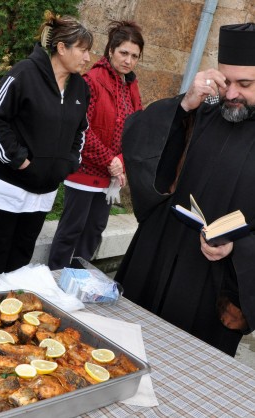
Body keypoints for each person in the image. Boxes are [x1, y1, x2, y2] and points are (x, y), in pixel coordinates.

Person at [115, 23, 255, 357]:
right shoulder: (204, 107)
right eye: (226, 81)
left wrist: (241, 246)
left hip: (216, 283)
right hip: (156, 256)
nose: (231, 93)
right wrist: (183, 105)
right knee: (122, 353)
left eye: (245, 84)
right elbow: (139, 140)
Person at [0, 12, 93, 281]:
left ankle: (12, 309)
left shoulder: (80, 88)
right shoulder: (23, 74)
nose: (88, 58)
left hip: (45, 188)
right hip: (9, 183)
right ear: (62, 48)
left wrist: (69, 162)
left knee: (23, 252)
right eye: (83, 50)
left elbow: (80, 129)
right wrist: (18, 159)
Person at [48, 21, 144, 270]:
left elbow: (137, 129)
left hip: (110, 177)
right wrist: (111, 161)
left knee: (94, 232)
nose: (128, 60)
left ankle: (78, 280)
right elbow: (83, 129)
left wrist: (121, 161)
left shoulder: (131, 86)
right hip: (85, 172)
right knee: (71, 230)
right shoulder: (90, 81)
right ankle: (54, 279)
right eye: (123, 53)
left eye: (134, 56)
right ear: (110, 50)